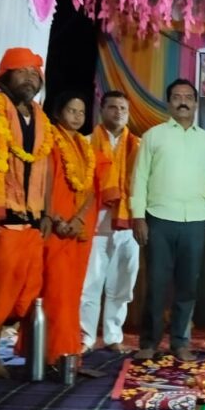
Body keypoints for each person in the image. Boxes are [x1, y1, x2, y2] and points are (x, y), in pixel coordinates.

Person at [131, 79, 205, 361]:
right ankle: (149, 342)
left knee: (188, 286)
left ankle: (180, 342)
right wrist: (138, 216)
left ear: (196, 103)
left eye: (188, 97)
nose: (183, 102)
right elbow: (139, 177)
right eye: (177, 97)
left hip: (197, 220)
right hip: (159, 219)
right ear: (169, 103)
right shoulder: (153, 136)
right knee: (156, 284)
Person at [0, 47, 52, 375]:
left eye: (34, 73)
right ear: (5, 76)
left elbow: (46, 168)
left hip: (32, 220)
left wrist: (47, 214)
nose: (29, 78)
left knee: (22, 292)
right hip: (4, 218)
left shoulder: (40, 117)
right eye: (21, 71)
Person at [80, 91, 141, 353]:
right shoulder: (86, 143)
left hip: (128, 224)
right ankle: (85, 337)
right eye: (113, 107)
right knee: (90, 285)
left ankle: (113, 336)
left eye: (123, 108)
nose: (118, 112)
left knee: (122, 285)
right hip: (96, 225)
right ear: (101, 110)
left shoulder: (138, 146)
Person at [41, 93, 97, 366]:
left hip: (77, 231)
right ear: (57, 112)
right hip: (55, 229)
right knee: (55, 291)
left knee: (73, 293)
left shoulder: (84, 146)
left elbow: (91, 189)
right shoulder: (49, 140)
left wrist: (79, 220)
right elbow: (42, 183)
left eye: (81, 112)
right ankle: (52, 353)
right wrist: (56, 218)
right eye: (71, 110)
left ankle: (68, 350)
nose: (77, 116)